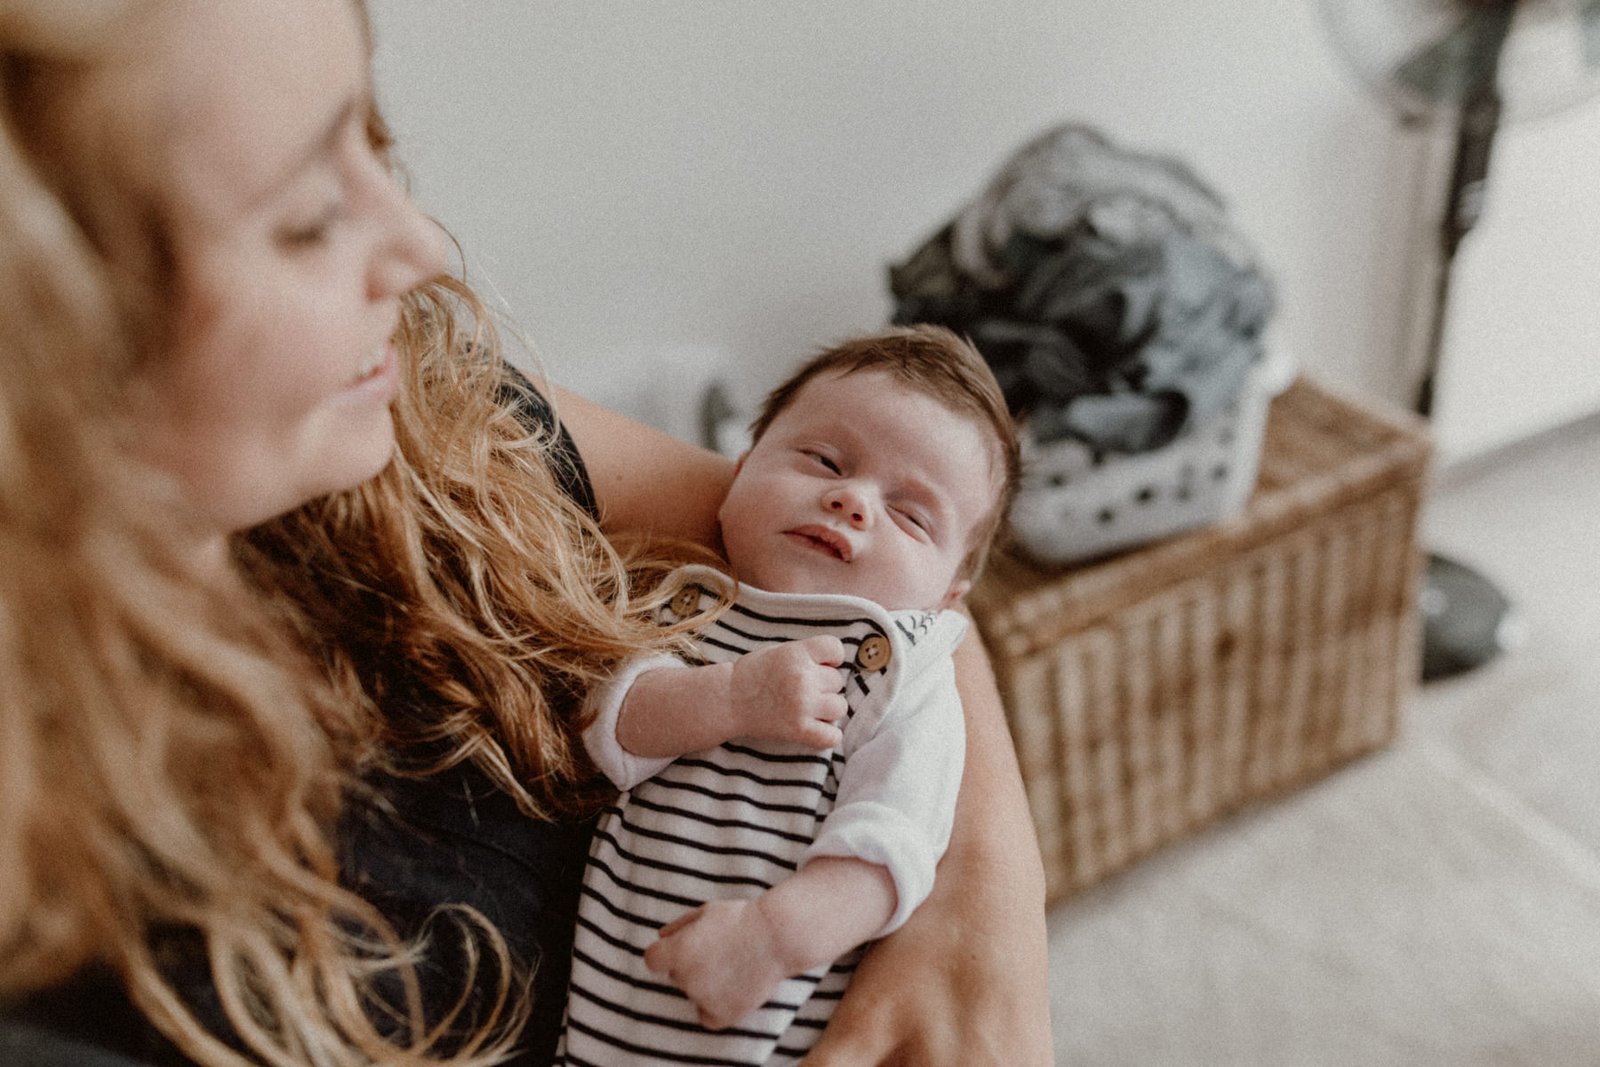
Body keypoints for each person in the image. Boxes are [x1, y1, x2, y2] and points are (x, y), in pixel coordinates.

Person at [0, 2, 1051, 1066]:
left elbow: (860, 582)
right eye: (311, 214)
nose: (420, 247)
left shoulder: (424, 411)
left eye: (371, 138)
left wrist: (977, 895)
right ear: (48, 348)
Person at [558, 327, 1021, 1065]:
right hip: (607, 1016)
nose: (852, 499)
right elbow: (606, 734)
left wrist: (773, 938)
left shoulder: (901, 673)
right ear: (738, 473)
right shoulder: (684, 600)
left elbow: (892, 844)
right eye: (824, 461)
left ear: (948, 596)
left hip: (777, 1015)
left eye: (911, 515)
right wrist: (732, 697)